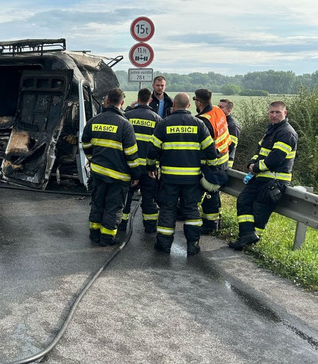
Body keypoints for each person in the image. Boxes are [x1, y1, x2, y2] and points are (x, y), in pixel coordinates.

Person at [147, 93, 221, 256]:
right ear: (188, 106)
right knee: (191, 210)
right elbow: (211, 152)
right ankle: (193, 245)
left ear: (174, 104)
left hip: (169, 178)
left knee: (168, 209)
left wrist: (151, 167)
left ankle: (164, 245)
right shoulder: (199, 124)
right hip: (192, 179)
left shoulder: (164, 124)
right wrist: (212, 170)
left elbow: (153, 150)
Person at [231, 100, 298, 250]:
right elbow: (259, 152)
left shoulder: (287, 132)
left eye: (277, 112)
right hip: (261, 178)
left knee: (259, 212)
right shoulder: (271, 130)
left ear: (285, 113)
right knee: (243, 201)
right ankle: (247, 235)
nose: (274, 115)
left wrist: (256, 168)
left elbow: (275, 158)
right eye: (271, 112)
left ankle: (251, 242)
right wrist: (251, 164)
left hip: (274, 181)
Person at [81, 87, 140, 246]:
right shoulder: (125, 125)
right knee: (113, 207)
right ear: (122, 103)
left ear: (107, 101)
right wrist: (136, 175)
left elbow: (85, 144)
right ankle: (107, 238)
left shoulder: (94, 121)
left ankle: (94, 233)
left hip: (98, 173)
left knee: (97, 203)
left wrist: (93, 160)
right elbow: (132, 155)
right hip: (118, 177)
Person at [122, 87, 162, 234]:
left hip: (129, 166)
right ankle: (150, 227)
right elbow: (160, 146)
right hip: (148, 168)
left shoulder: (126, 116)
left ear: (138, 99)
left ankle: (121, 224)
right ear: (150, 100)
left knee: (126, 196)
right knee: (149, 197)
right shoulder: (157, 119)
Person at [192, 89, 231, 235]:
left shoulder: (204, 120)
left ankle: (210, 224)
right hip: (223, 157)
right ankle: (214, 221)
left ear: (198, 102)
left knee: (209, 193)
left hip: (212, 162)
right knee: (213, 192)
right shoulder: (217, 110)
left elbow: (204, 146)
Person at [217, 98, 241, 168]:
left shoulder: (233, 125)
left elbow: (231, 146)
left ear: (229, 110)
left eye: (221, 107)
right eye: (218, 106)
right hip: (218, 163)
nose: (218, 109)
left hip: (226, 164)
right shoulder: (220, 121)